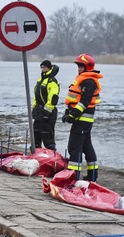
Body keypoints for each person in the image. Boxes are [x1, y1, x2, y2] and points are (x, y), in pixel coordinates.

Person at [62, 53, 103, 182]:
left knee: (74, 147)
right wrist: (68, 113)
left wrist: (72, 115)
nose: (79, 68)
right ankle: (92, 176)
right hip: (83, 120)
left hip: (82, 120)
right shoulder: (85, 80)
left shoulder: (88, 82)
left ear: (87, 67)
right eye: (78, 66)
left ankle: (73, 177)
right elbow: (76, 100)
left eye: (81, 66)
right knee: (86, 147)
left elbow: (84, 102)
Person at [32, 60, 60, 151]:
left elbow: (53, 97)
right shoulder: (40, 80)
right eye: (41, 67)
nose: (42, 69)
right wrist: (34, 107)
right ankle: (36, 151)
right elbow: (36, 95)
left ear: (49, 68)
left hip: (48, 111)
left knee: (47, 134)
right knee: (36, 132)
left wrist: (47, 111)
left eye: (44, 67)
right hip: (39, 109)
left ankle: (51, 153)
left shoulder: (52, 81)